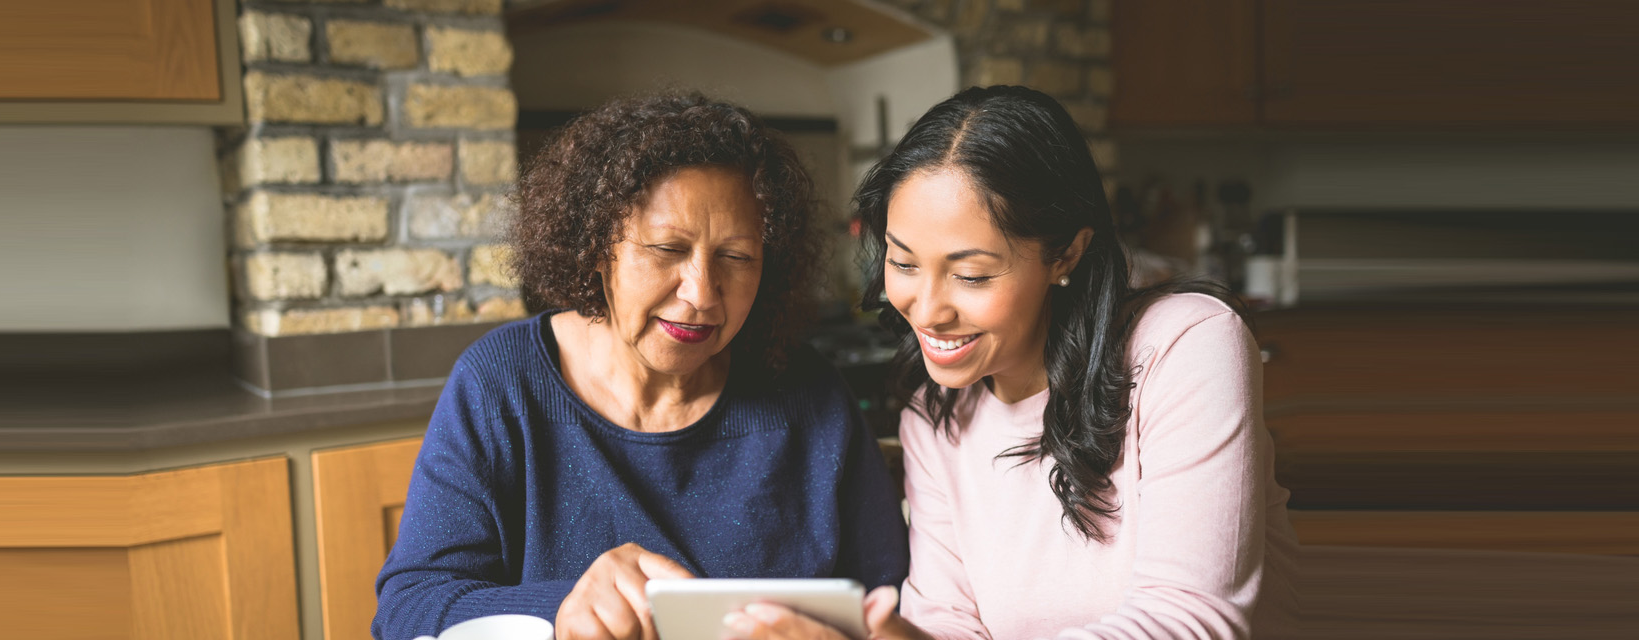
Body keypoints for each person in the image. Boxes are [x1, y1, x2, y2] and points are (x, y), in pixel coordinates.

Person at [727, 86, 1299, 640]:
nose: (925, 311)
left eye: (971, 275)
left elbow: (1190, 619)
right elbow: (948, 620)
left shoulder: (1186, 344)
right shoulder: (935, 414)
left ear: (1066, 254)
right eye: (902, 264)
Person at [373, 93, 909, 640]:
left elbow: (895, 601)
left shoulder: (809, 392)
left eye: (736, 257)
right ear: (593, 245)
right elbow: (408, 608)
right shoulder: (502, 383)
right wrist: (563, 608)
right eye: (666, 249)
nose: (702, 293)